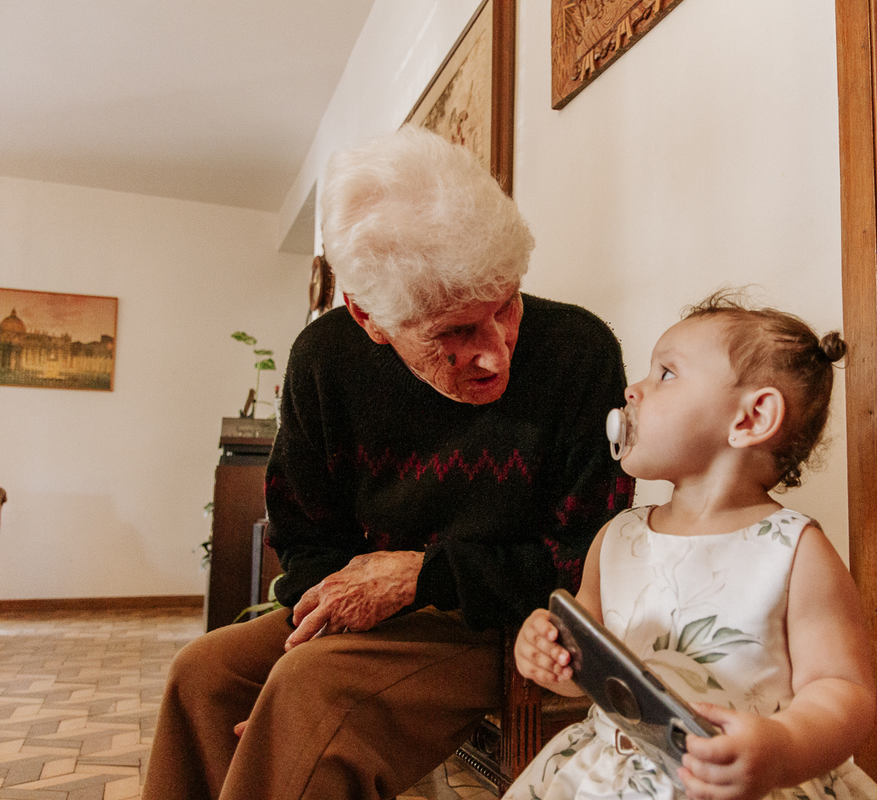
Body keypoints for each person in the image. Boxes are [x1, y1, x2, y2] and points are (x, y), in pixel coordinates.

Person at [143, 126, 633, 800]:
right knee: (203, 676)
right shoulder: (324, 360)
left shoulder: (578, 351)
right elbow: (306, 536)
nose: (496, 352)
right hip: (375, 615)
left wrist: (424, 577)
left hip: (509, 623)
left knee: (310, 697)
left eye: (507, 306)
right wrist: (341, 620)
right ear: (368, 317)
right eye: (455, 331)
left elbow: (587, 559)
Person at [506, 291, 877, 800]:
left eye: (666, 373)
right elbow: (587, 670)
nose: (632, 390)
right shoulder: (617, 538)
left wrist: (781, 747)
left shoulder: (794, 551)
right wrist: (547, 654)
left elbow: (844, 691)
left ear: (751, 418)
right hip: (610, 778)